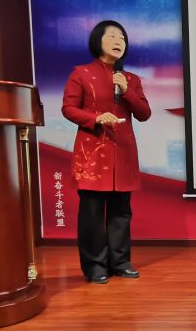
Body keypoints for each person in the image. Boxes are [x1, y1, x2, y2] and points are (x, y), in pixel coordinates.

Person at [61, 20, 152, 284]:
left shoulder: (131, 79)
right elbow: (68, 108)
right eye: (112, 36)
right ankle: (95, 266)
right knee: (91, 213)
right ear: (97, 41)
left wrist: (126, 90)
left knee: (121, 212)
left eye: (122, 37)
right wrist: (96, 118)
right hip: (92, 152)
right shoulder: (81, 73)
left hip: (123, 153)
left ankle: (120, 262)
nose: (118, 41)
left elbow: (144, 113)